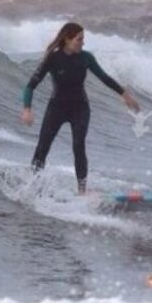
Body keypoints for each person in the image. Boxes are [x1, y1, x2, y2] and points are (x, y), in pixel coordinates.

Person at [21, 22, 140, 194]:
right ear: (67, 40)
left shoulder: (86, 58)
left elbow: (104, 77)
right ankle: (33, 186)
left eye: (83, 39)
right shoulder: (52, 58)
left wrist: (124, 95)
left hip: (80, 108)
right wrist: (26, 109)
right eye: (79, 39)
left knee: (78, 145)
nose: (83, 43)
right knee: (43, 147)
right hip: (57, 107)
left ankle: (82, 191)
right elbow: (30, 85)